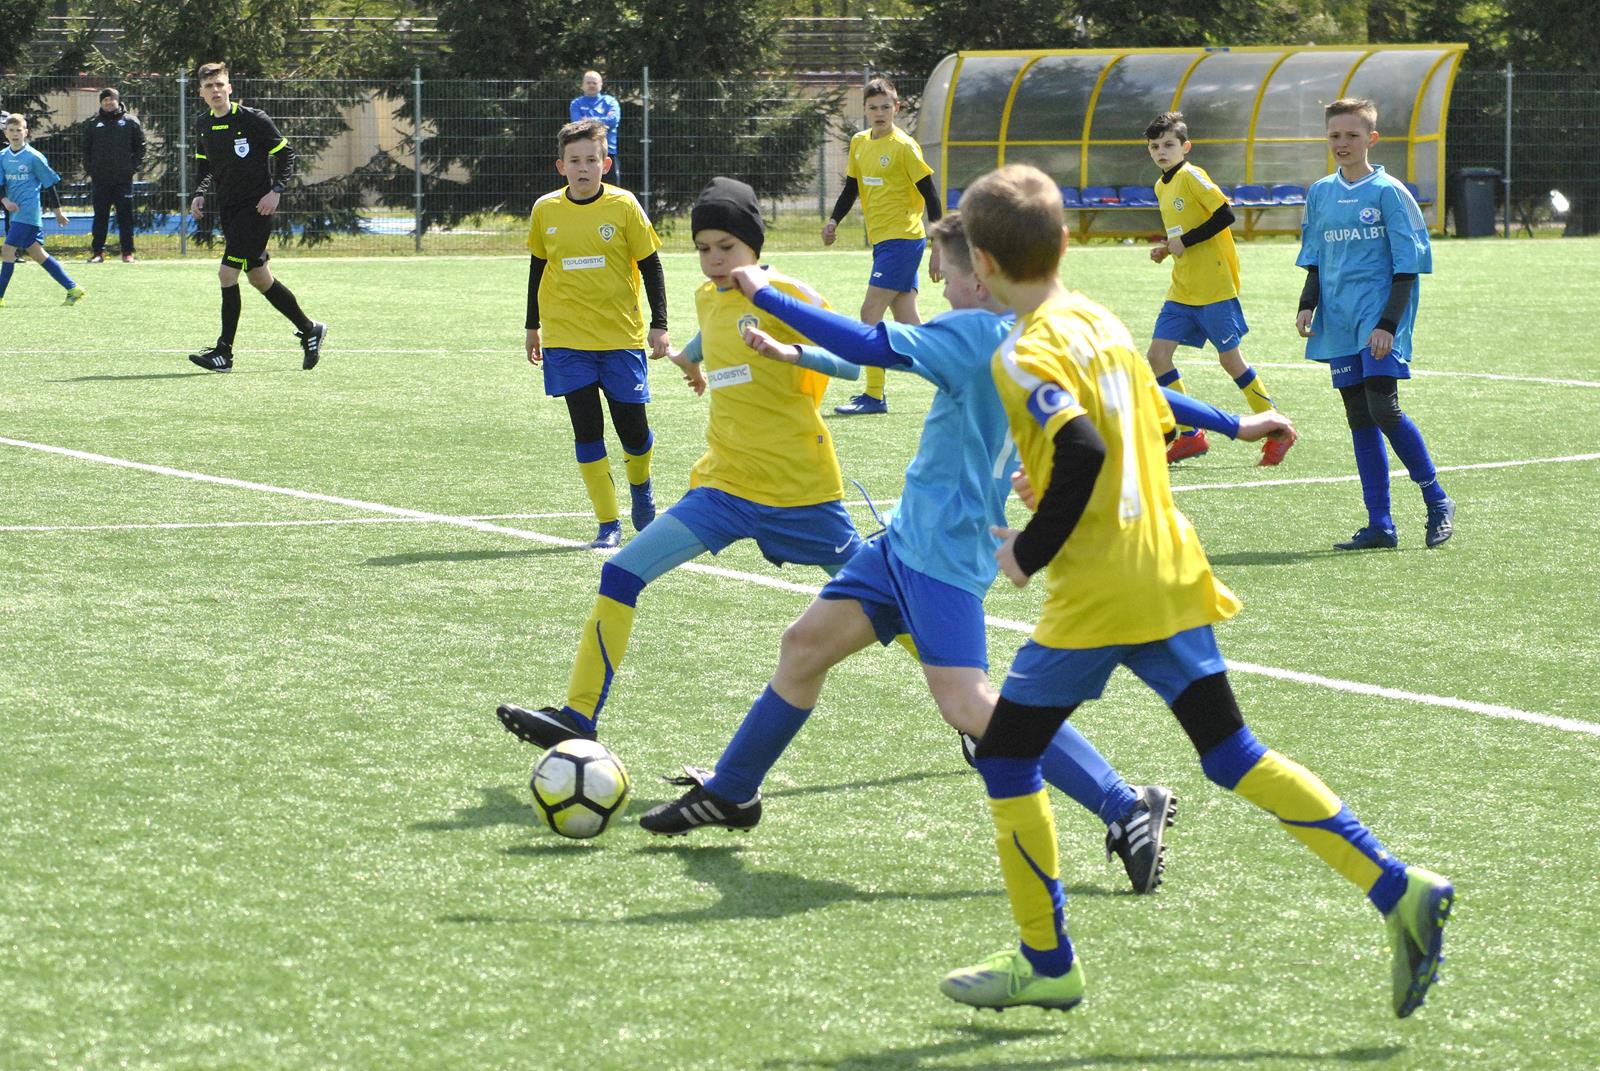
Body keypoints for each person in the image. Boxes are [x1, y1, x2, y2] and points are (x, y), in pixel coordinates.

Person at [638, 214, 1296, 892]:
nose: (937, 285)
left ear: (980, 276)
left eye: (945, 273)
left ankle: (1125, 803)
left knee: (969, 703)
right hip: (905, 541)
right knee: (803, 646)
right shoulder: (1026, 336)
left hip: (944, 554)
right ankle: (734, 789)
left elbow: (874, 344)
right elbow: (1138, 389)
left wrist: (766, 295)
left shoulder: (975, 330)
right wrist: (1236, 421)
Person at [939, 163, 1453, 1018]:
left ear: (983, 265)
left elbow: (1085, 453)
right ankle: (1399, 888)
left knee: (1003, 752)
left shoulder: (1023, 350)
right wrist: (1239, 419)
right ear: (1066, 241)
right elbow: (1149, 410)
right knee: (1232, 754)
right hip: (1170, 569)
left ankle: (1047, 959)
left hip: (1100, 596)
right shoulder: (1099, 320)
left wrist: (1028, 549)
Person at [496, 177, 873, 750]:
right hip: (723, 486)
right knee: (621, 572)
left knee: (887, 600)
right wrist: (689, 359)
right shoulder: (707, 295)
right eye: (703, 248)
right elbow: (713, 331)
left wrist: (789, 351)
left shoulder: (785, 292)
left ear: (754, 245)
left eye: (727, 246)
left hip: (799, 491)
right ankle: (577, 716)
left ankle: (983, 718)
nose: (715, 260)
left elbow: (856, 357)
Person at [1297, 98, 1454, 550]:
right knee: (1359, 415)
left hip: (1381, 316)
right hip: (1339, 317)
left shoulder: (1389, 192)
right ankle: (1380, 524)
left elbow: (1409, 265)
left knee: (1384, 407)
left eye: (1351, 135)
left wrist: (1388, 323)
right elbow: (1316, 259)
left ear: (1371, 138)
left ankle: (1437, 499)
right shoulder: (1321, 192)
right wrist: (1308, 304)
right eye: (1334, 136)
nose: (1341, 143)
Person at [525, 118, 669, 550]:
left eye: (591, 159)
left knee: (633, 431)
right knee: (586, 431)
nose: (583, 167)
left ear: (605, 164)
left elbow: (651, 266)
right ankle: (608, 524)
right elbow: (537, 268)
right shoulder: (545, 210)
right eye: (575, 160)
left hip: (620, 337)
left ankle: (640, 485)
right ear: (561, 166)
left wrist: (659, 325)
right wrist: (532, 326)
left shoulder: (624, 207)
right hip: (566, 339)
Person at [1143, 111, 1291, 466]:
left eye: (1168, 145)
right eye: (1154, 146)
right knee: (1157, 356)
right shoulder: (1161, 185)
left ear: (1185, 147)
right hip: (1182, 289)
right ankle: (1191, 434)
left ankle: (1277, 428)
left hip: (1214, 287)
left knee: (1231, 361)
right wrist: (1168, 247)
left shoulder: (1192, 175)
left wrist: (1186, 242)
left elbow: (1225, 214)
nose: (1161, 151)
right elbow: (1184, 233)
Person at [186, 62, 327, 373]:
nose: (216, 91)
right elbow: (203, 164)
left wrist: (275, 190)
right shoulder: (203, 124)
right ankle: (309, 328)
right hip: (229, 208)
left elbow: (286, 152)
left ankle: (224, 353)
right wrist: (199, 192)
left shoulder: (252, 119)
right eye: (209, 87)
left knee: (227, 274)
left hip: (257, 209)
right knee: (259, 278)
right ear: (201, 93)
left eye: (220, 84)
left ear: (230, 87)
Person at [823, 77, 942, 417]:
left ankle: (874, 396)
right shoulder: (860, 143)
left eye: (886, 106)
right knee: (909, 325)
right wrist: (833, 221)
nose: (879, 113)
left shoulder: (904, 147)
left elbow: (931, 197)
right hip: (884, 243)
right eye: (873, 107)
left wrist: (938, 246)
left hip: (903, 240)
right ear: (864, 110)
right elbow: (851, 189)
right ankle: (958, 377)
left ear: (897, 108)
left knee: (869, 313)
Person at [0, 114, 86, 308]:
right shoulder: (3, 157)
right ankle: (73, 288)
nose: (15, 134)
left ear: (26, 132)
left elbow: (50, 184)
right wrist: (5, 200)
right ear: (5, 132)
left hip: (28, 212)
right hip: (15, 214)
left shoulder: (34, 157)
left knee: (7, 250)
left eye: (18, 130)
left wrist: (58, 211)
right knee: (38, 254)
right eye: (11, 130)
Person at [84, 87, 146, 264]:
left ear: (117, 101)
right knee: (100, 216)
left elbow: (141, 147)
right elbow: (86, 150)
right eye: (105, 100)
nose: (108, 103)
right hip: (100, 180)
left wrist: (132, 168)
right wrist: (92, 169)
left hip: (123, 179)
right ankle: (98, 252)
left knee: (125, 216)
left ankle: (127, 252)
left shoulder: (130, 122)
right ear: (101, 103)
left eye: (111, 99)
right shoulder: (93, 123)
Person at [569, 71, 621, 185]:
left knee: (611, 190)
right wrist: (602, 119)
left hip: (608, 152)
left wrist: (588, 120)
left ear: (601, 85)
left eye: (594, 82)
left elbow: (613, 121)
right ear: (582, 85)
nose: (591, 85)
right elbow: (578, 124)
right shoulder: (576, 104)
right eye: (588, 82)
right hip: (583, 153)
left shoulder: (610, 102)